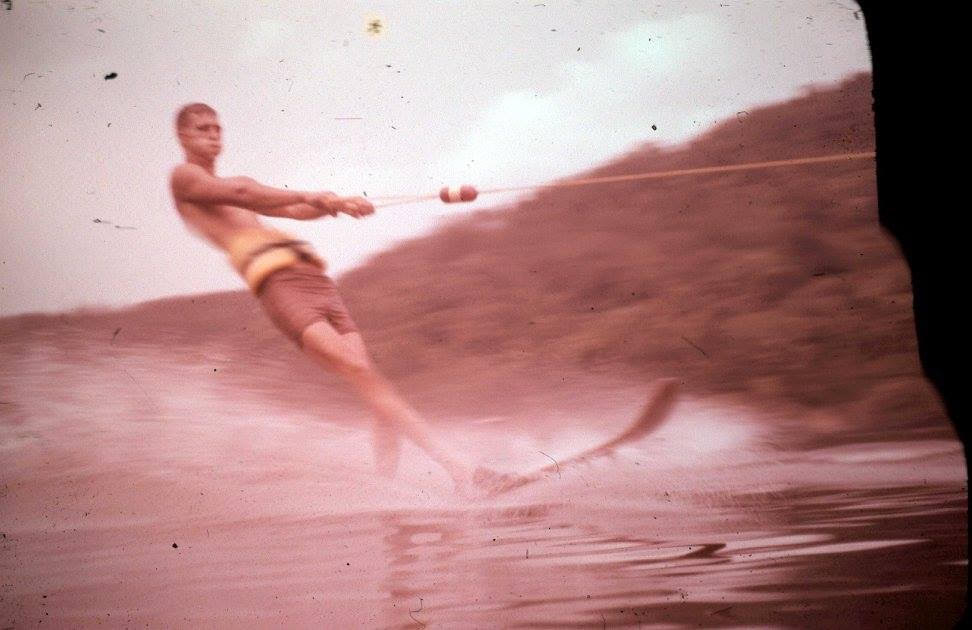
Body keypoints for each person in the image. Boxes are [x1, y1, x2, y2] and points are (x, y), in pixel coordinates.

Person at [169, 102, 477, 490]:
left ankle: (385, 492)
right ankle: (462, 470)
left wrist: (338, 205)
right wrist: (315, 196)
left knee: (372, 386)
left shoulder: (237, 186)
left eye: (217, 128)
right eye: (203, 129)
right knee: (363, 374)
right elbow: (246, 193)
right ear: (183, 136)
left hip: (315, 280)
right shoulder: (186, 178)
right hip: (281, 287)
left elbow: (296, 210)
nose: (214, 136)